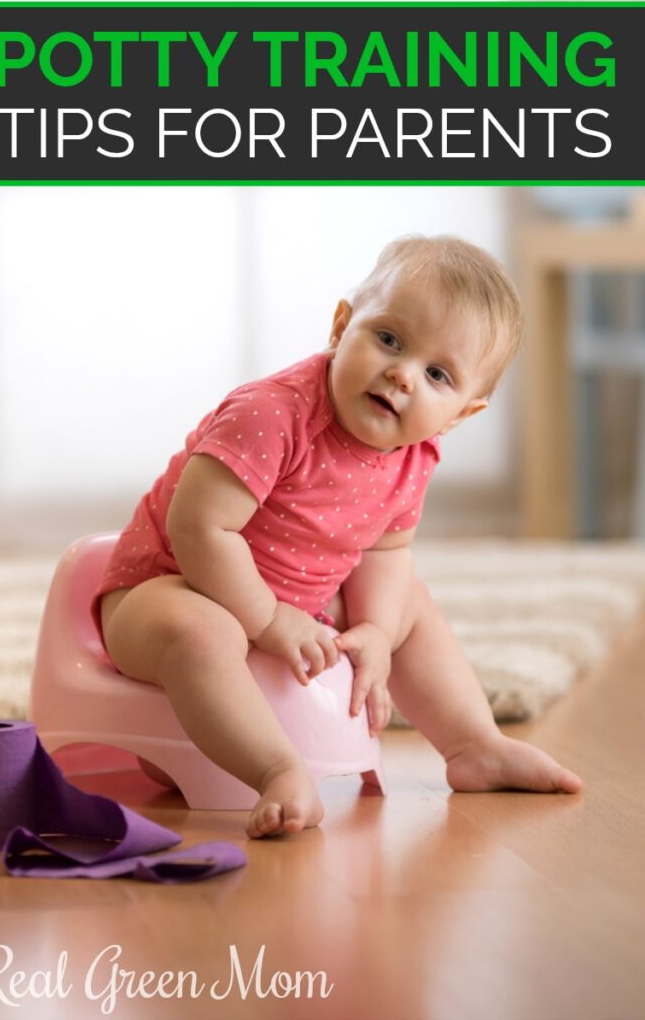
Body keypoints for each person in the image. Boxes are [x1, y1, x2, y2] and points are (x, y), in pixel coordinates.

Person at [92, 235, 583, 839]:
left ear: (460, 414)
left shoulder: (415, 454)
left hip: (293, 602)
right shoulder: (272, 414)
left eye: (436, 374)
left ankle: (473, 744)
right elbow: (199, 528)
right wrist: (270, 620)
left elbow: (385, 550)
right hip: (170, 586)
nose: (402, 375)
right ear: (341, 326)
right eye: (389, 339)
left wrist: (377, 629)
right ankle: (277, 769)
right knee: (202, 629)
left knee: (409, 604)